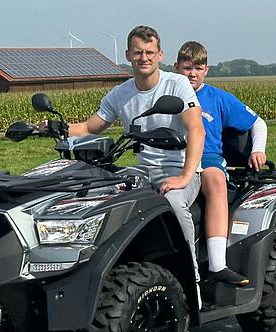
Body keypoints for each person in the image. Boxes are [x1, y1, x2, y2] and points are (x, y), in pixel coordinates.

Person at [45, 26, 206, 297]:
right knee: (102, 196)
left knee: (175, 203)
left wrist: (185, 177)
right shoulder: (121, 93)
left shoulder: (176, 85)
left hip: (179, 168)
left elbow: (196, 129)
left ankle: (192, 275)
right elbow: (89, 127)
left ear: (160, 55)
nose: (144, 57)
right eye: (138, 52)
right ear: (128, 55)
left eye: (150, 52)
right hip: (142, 169)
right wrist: (52, 127)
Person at [174, 41, 268, 286]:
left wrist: (257, 150)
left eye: (198, 68)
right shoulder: (166, 95)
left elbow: (258, 123)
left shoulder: (217, 98)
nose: (192, 73)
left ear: (206, 69)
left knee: (215, 180)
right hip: (173, 159)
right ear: (176, 68)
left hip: (208, 159)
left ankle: (217, 264)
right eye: (186, 68)